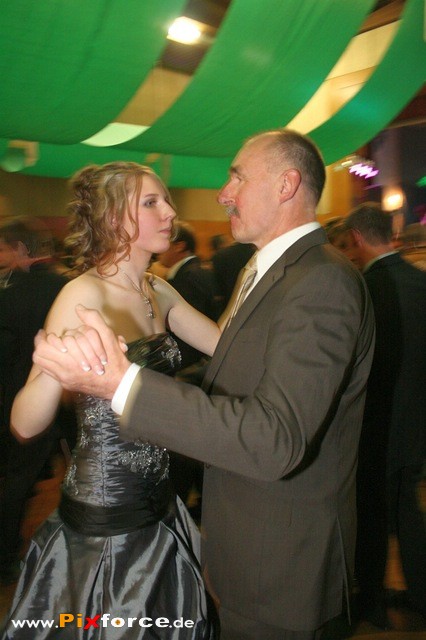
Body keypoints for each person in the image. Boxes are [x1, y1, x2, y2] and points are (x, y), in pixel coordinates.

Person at [31, 130, 375, 640]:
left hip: (269, 554)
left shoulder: (317, 281)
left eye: (237, 177)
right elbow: (233, 361)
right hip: (117, 515)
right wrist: (57, 371)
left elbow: (272, 433)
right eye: (152, 202)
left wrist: (123, 384)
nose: (222, 194)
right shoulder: (266, 271)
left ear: (285, 185)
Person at [2, 162, 219, 639]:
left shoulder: (158, 290)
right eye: (151, 202)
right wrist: (53, 370)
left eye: (166, 199)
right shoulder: (83, 295)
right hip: (107, 514)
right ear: (112, 217)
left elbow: (225, 346)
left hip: (159, 497)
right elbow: (24, 423)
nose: (170, 211)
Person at [344, 203, 426, 623]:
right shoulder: (420, 281)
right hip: (416, 423)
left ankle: (372, 600)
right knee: (408, 509)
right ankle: (421, 595)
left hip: (375, 423)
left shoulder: (363, 288)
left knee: (372, 512)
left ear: (357, 237)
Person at [0, 216, 74, 585]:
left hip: (21, 400)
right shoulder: (68, 287)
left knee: (16, 481)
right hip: (66, 399)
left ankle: (5, 556)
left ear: (19, 249)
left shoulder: (9, 292)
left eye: (3, 249)